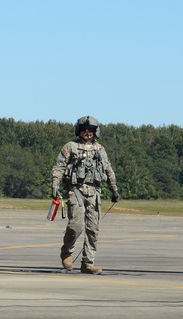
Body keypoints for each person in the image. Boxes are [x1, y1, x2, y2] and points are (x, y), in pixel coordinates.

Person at [51, 115, 120, 275]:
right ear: (79, 131)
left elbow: (108, 170)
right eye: (84, 130)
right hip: (76, 191)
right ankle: (67, 251)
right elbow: (59, 166)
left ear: (96, 132)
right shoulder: (71, 146)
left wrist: (114, 189)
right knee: (76, 225)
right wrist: (55, 185)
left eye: (91, 130)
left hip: (94, 192)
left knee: (93, 229)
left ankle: (88, 263)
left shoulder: (100, 149)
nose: (87, 133)